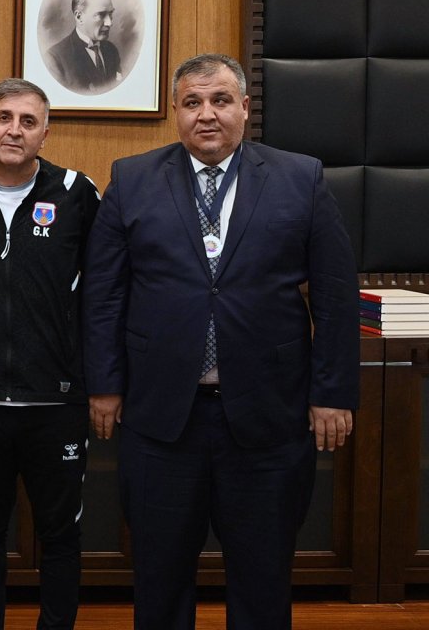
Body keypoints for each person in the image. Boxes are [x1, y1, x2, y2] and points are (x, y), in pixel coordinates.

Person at [82, 53, 359, 629]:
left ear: (244, 108)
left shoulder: (300, 177)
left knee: (261, 580)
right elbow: (104, 296)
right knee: (159, 579)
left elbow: (335, 296)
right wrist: (104, 384)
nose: (206, 115)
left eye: (220, 101)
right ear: (176, 113)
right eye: (192, 103)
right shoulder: (131, 179)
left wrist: (332, 391)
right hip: (161, 420)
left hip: (267, 418)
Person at [0, 78, 101, 630]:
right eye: (3, 117)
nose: (15, 129)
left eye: (28, 121)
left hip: (55, 401)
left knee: (61, 533)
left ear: (46, 131)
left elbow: (104, 291)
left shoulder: (79, 193)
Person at [45, 0, 122, 94]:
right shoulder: (55, 58)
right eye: (101, 15)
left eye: (110, 14)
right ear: (79, 17)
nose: (109, 23)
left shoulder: (111, 50)